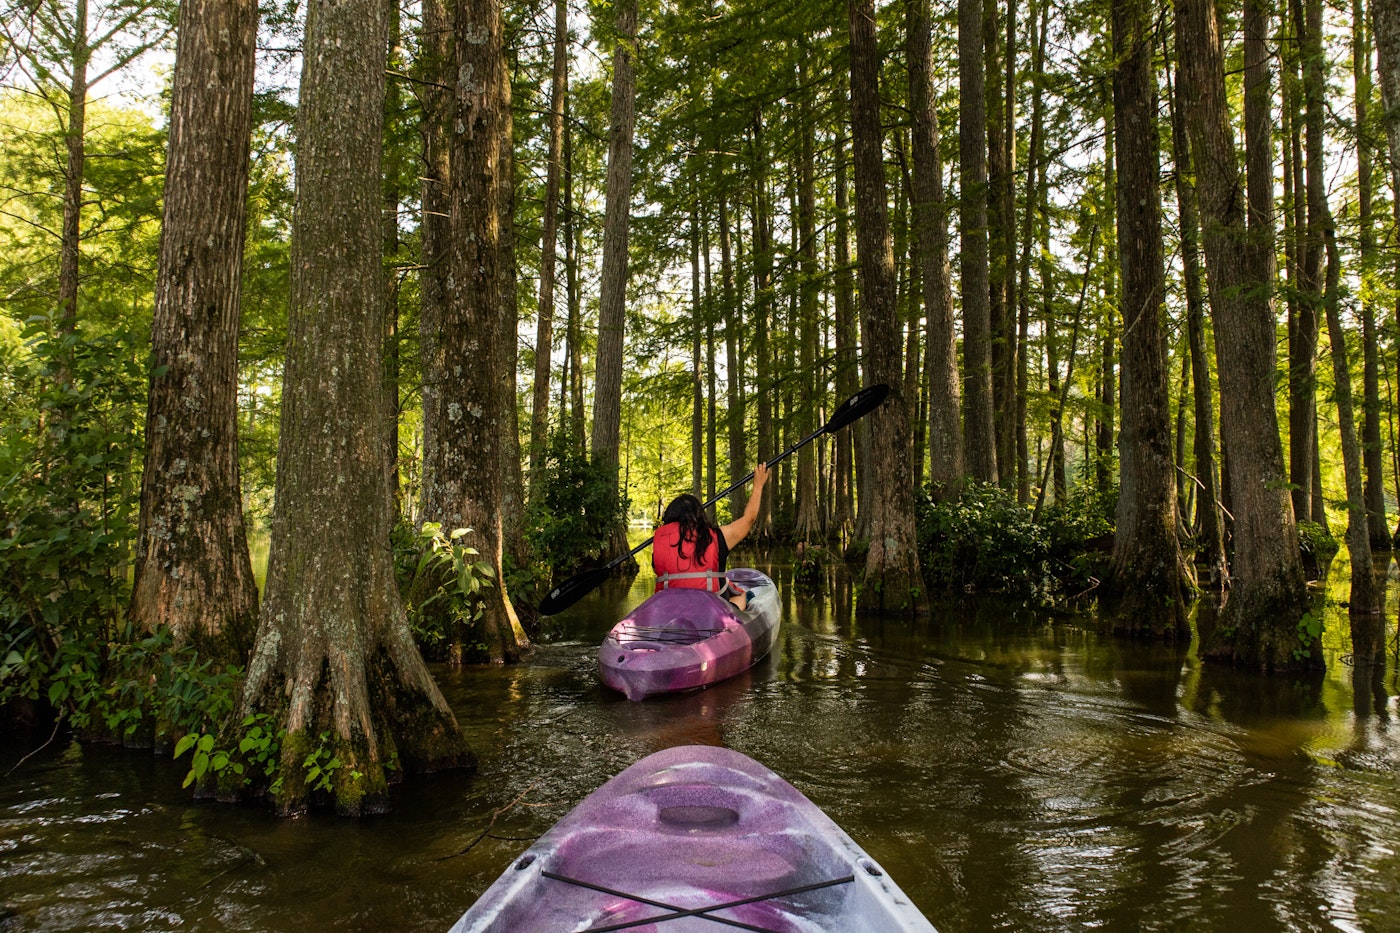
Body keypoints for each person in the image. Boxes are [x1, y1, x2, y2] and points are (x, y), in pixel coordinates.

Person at [652, 462, 769, 609]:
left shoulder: (660, 540)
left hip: (669, 608)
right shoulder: (716, 536)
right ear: (699, 515)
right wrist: (758, 485)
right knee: (742, 595)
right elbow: (749, 519)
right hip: (710, 610)